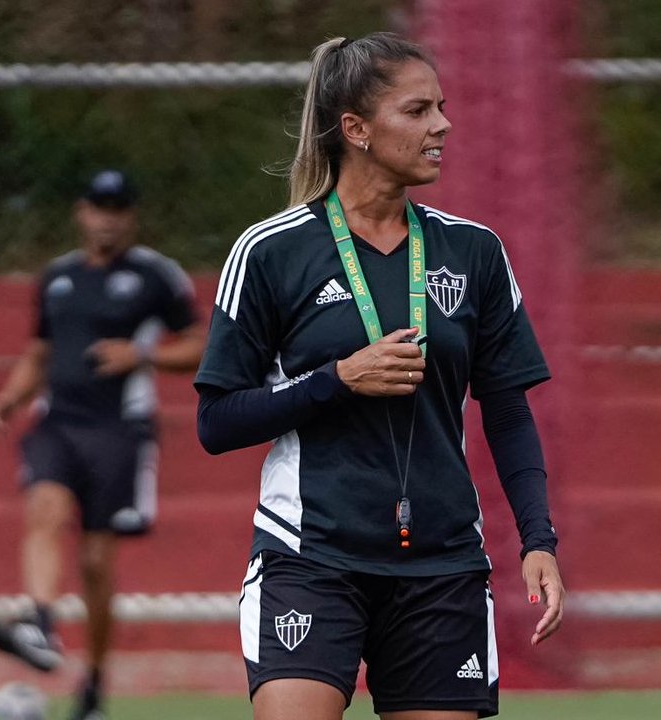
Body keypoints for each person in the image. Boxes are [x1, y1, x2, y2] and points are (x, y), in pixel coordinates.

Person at [194, 32, 564, 720]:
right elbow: (216, 423)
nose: (443, 125)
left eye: (442, 108)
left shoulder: (474, 251)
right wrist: (335, 379)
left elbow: (508, 411)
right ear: (357, 130)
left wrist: (538, 540)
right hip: (310, 555)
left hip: (442, 563)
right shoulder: (270, 252)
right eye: (419, 110)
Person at [0, 169, 206, 720]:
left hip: (119, 431)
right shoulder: (57, 278)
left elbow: (203, 344)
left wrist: (141, 355)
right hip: (58, 423)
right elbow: (40, 352)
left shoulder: (156, 276)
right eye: (99, 205)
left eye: (119, 207)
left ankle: (95, 686)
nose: (108, 217)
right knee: (44, 509)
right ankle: (40, 625)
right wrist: (11, 397)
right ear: (82, 212)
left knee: (97, 565)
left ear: (132, 215)